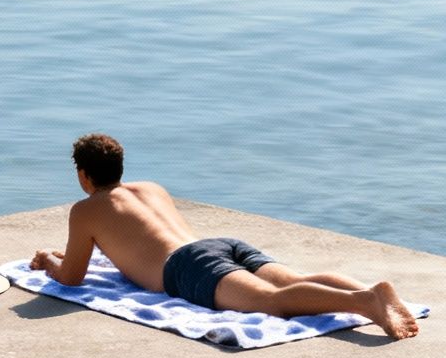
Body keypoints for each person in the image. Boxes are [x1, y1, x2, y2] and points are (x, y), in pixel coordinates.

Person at [29, 134, 421, 340]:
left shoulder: (86, 210)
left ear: (83, 174)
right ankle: (371, 291)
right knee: (294, 280)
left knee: (271, 302)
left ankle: (365, 302)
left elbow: (73, 277)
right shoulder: (151, 187)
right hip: (220, 245)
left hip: (186, 267)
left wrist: (49, 261)